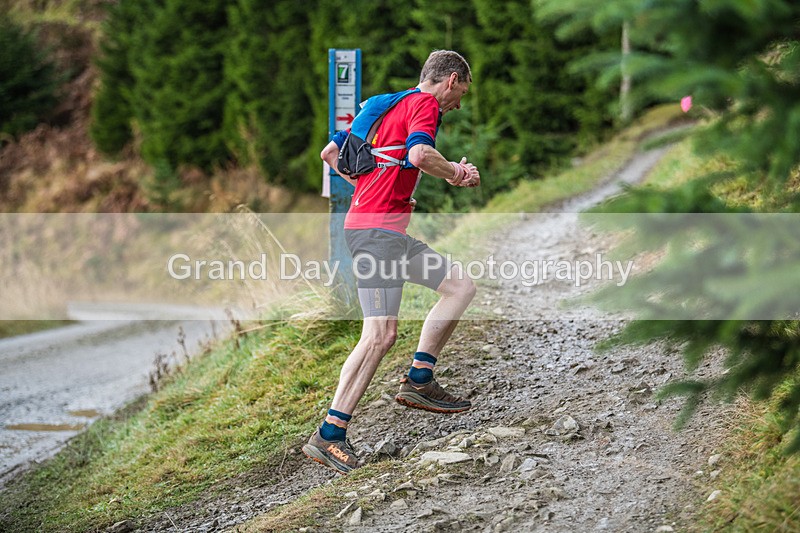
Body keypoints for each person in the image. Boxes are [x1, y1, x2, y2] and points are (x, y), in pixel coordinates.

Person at [303, 50, 480, 474]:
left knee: (459, 287)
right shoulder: (423, 104)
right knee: (380, 334)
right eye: (461, 95)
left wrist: (378, 190)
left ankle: (420, 380)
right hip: (376, 234)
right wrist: (457, 173)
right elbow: (420, 156)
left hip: (384, 231)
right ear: (451, 80)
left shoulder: (388, 105)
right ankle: (329, 435)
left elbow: (331, 154)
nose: (457, 105)